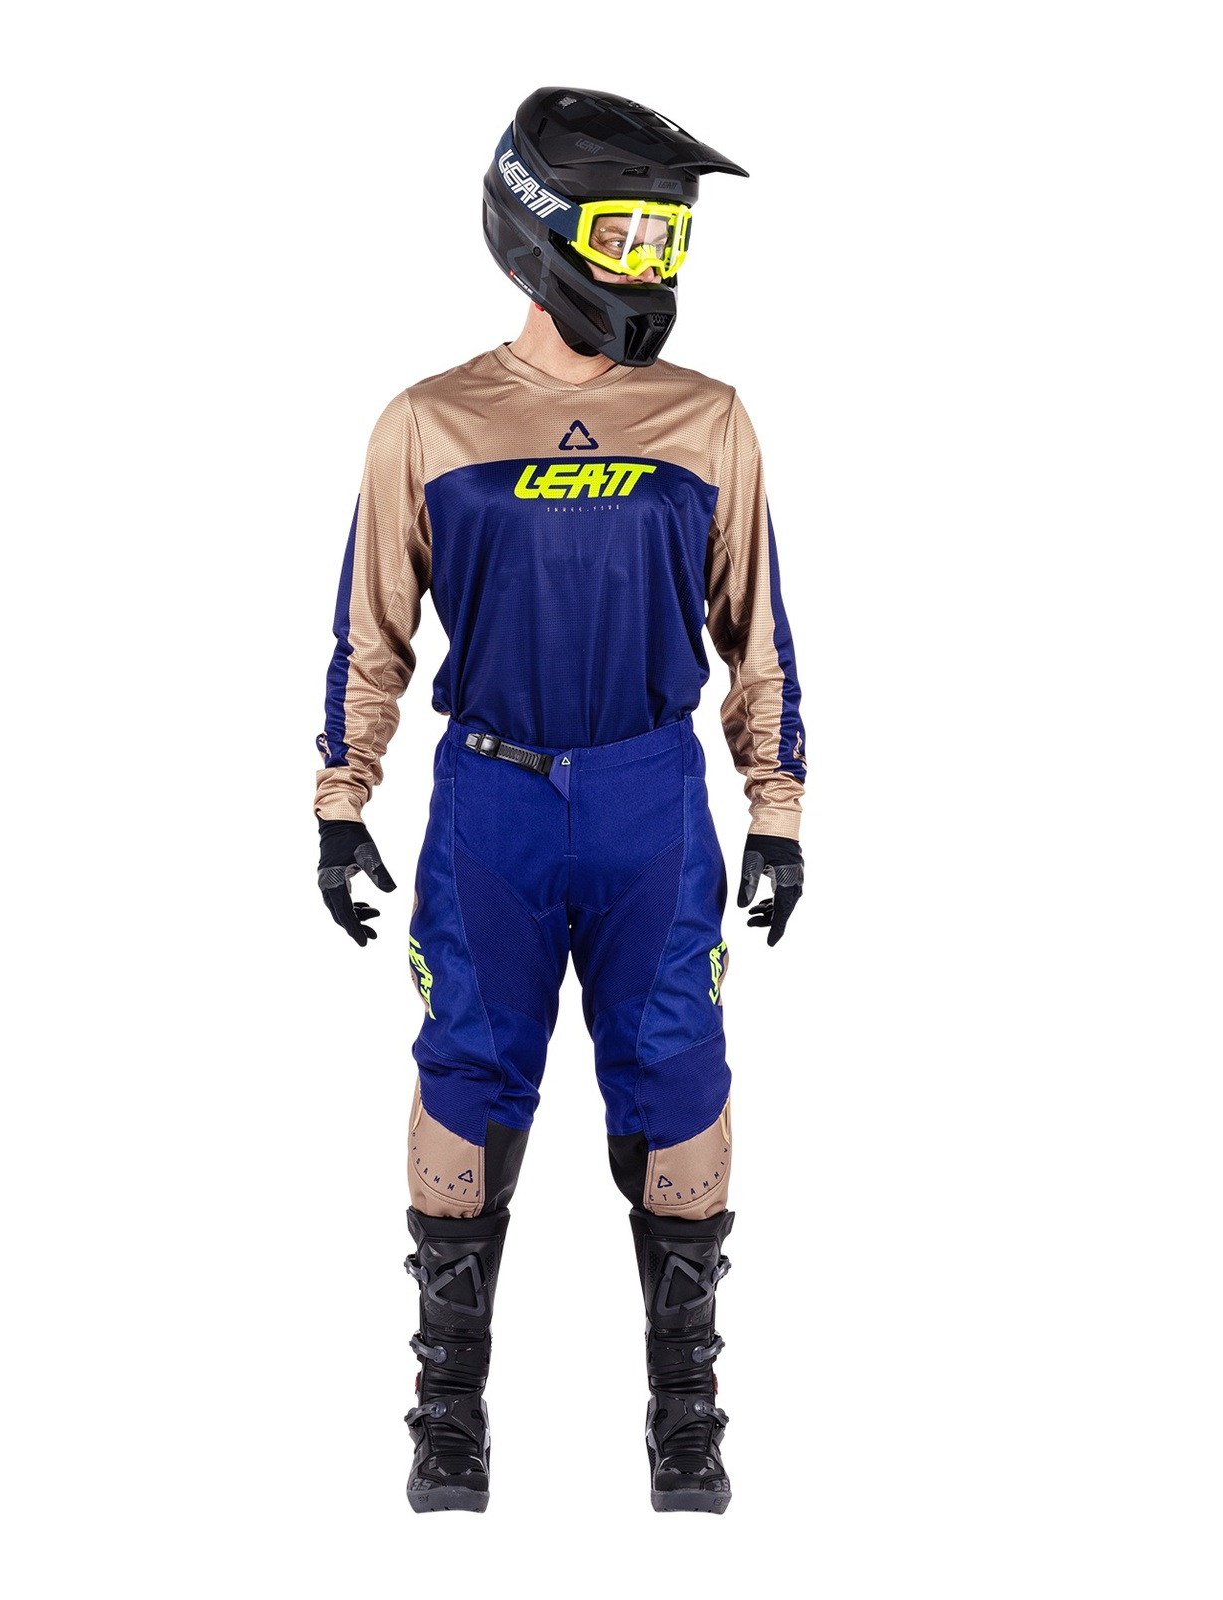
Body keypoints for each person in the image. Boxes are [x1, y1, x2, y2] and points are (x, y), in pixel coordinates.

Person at [313, 87, 806, 1515]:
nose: (654, 266)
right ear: (538, 225)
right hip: (495, 798)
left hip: (653, 794)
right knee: (466, 1070)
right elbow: (369, 628)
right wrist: (341, 797)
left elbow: (758, 632)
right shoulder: (430, 421)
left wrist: (777, 808)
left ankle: (687, 1416)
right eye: (629, 233)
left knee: (682, 1071)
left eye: (672, 239)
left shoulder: (710, 420)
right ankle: (447, 1417)